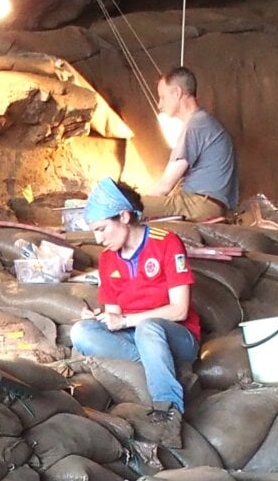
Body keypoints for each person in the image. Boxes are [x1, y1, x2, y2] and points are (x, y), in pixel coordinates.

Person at [69, 176, 200, 438]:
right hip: (136, 337)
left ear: (125, 216)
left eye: (103, 228)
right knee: (82, 331)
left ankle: (168, 410)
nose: (98, 238)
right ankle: (163, 367)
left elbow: (179, 310)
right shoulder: (107, 260)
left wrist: (128, 320)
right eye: (94, 231)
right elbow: (115, 312)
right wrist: (102, 317)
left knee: (148, 329)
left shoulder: (166, 242)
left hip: (177, 335)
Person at [144, 65, 238, 222]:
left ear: (177, 93)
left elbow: (165, 185)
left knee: (123, 207)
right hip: (207, 204)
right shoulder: (204, 123)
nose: (159, 104)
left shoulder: (196, 126)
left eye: (162, 97)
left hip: (199, 205)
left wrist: (135, 203)